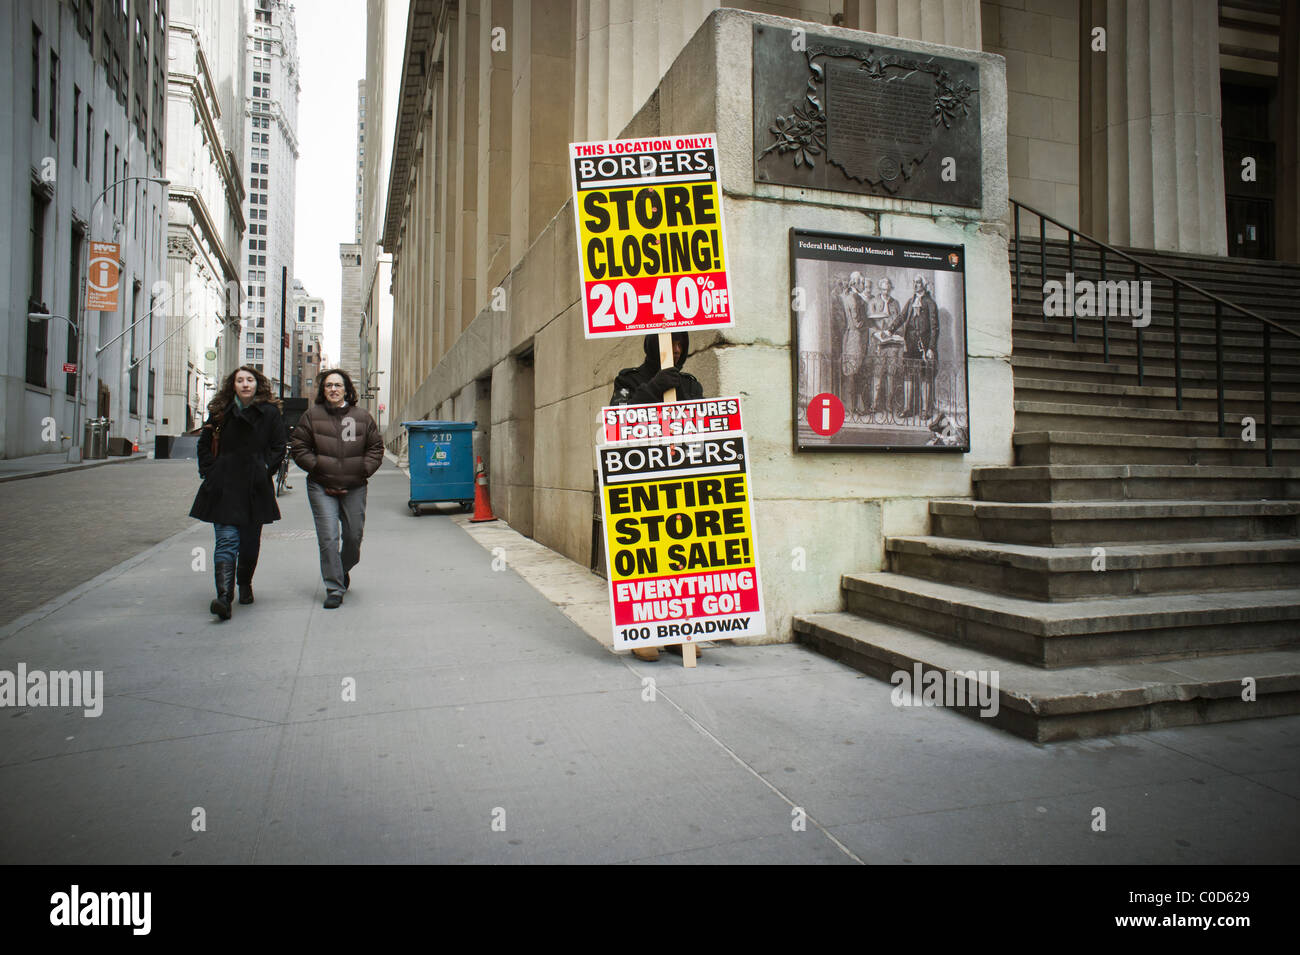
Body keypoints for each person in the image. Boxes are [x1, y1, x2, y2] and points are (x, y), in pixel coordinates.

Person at [609, 332, 703, 660]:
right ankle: (643, 631)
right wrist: (652, 389)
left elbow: (701, 433)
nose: (676, 350)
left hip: (680, 484)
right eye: (670, 343)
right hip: (640, 486)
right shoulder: (629, 380)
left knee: (679, 559)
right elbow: (617, 424)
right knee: (644, 559)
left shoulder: (690, 385)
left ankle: (679, 633)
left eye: (681, 345)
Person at [189, 366, 286, 621]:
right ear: (232, 384)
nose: (245, 384)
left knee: (250, 542)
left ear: (258, 384)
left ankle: (244, 582)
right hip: (224, 485)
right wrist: (211, 471)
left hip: (255, 486)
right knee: (226, 540)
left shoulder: (269, 412)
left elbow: (278, 447)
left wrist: (264, 468)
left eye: (249, 380)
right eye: (240, 380)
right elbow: (204, 444)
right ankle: (223, 597)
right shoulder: (220, 411)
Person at [289, 369, 384, 608]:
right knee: (328, 537)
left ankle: (342, 568)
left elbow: (375, 448)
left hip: (355, 486)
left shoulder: (362, 416)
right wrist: (320, 469)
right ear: (323, 390)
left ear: (346, 389)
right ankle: (334, 587)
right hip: (321, 486)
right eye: (329, 385)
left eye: (338, 385)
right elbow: (299, 448)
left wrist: (362, 470)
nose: (333, 389)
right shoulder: (311, 416)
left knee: (353, 536)